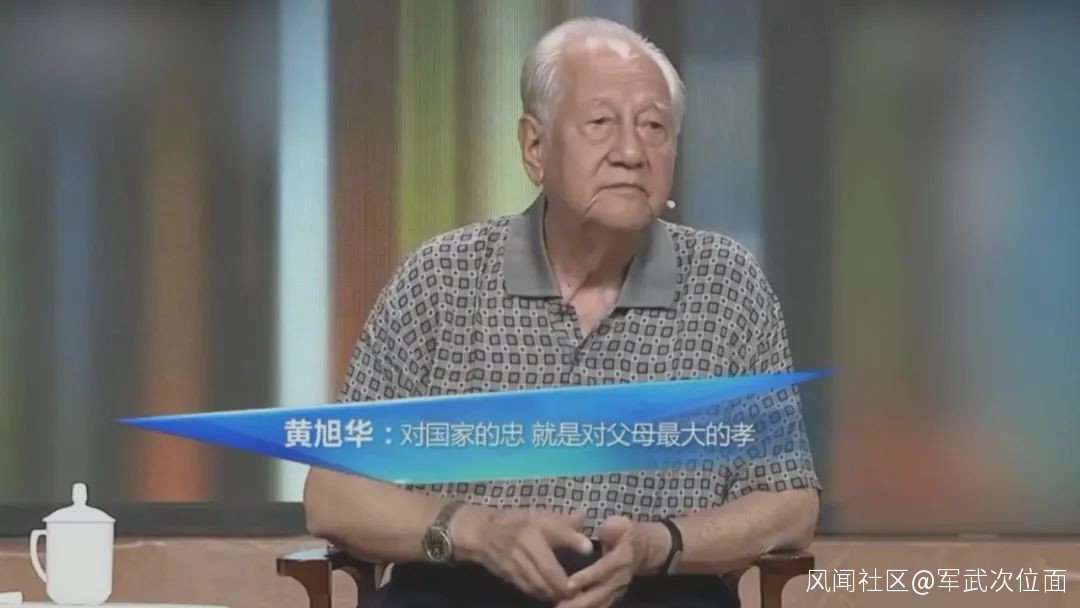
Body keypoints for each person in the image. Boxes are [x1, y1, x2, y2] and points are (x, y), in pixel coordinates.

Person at [304, 17, 820, 608]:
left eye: (653, 126)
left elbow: (791, 502)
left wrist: (661, 544)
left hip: (659, 589)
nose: (632, 152)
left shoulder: (727, 284)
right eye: (601, 123)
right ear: (534, 147)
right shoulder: (442, 277)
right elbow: (332, 492)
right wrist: (477, 532)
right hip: (463, 588)